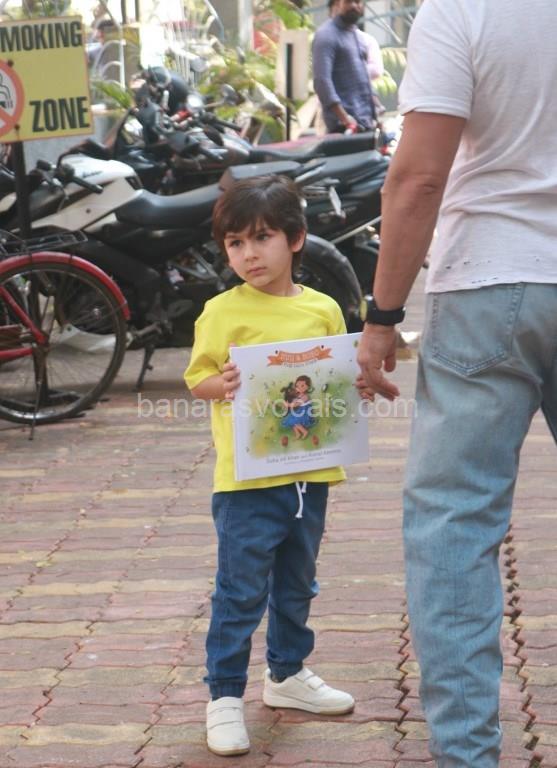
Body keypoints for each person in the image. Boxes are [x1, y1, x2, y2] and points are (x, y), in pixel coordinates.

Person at [356, 0, 557, 765]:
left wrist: (382, 317)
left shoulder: (459, 10)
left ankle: (467, 754)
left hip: (487, 283)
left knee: (454, 525)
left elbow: (417, 177)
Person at [184, 176, 355, 757]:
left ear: (296, 238)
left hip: (310, 476)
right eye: (235, 243)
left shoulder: (323, 309)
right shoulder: (221, 312)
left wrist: (352, 388)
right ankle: (224, 696)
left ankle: (286, 674)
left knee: (297, 582)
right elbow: (198, 380)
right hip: (246, 484)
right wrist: (224, 382)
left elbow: (335, 382)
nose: (249, 254)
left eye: (262, 238)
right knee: (239, 591)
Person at [312, 0, 377, 133]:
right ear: (337, 4)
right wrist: (345, 119)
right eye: (348, 1)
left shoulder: (357, 35)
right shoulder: (326, 35)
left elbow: (364, 80)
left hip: (365, 123)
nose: (353, 5)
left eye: (357, 1)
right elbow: (322, 81)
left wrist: (377, 113)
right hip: (344, 128)